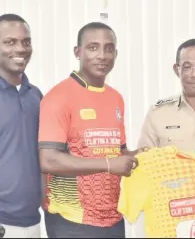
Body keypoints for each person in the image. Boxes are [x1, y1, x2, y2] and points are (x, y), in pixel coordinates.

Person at [38, 22, 144, 238]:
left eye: (109, 48)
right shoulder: (58, 97)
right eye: (93, 47)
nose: (102, 55)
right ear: (78, 52)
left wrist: (137, 156)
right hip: (72, 220)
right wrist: (108, 165)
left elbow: (116, 153)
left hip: (113, 217)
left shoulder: (115, 98)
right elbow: (48, 160)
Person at [0, 14, 42, 238]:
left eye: (26, 42)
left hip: (33, 222)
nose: (21, 48)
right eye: (10, 42)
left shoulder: (35, 95)